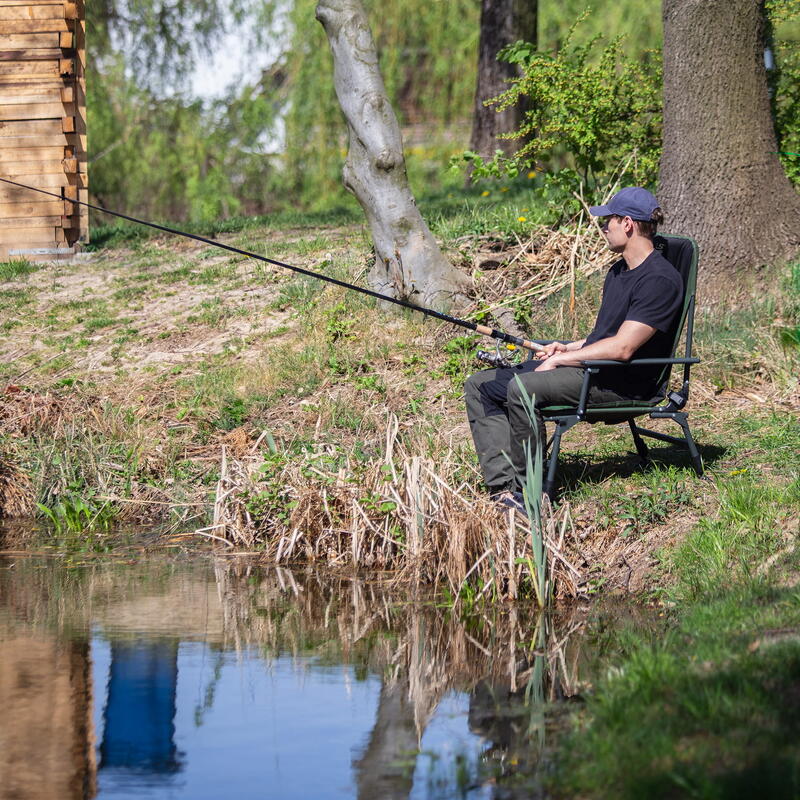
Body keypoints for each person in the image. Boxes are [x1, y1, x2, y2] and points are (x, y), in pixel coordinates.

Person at [464, 186, 684, 511]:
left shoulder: (658, 280)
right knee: (480, 385)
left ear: (627, 223)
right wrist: (565, 346)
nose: (603, 228)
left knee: (521, 389)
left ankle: (528, 493)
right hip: (595, 368)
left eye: (606, 221)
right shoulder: (619, 271)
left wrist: (567, 358)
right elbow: (606, 336)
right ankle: (503, 490)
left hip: (621, 382)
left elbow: (624, 348)